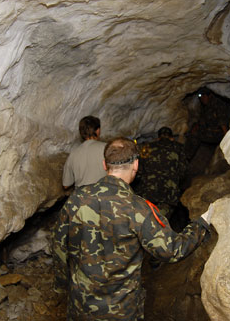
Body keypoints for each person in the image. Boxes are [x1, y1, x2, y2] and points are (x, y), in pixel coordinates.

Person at [51, 137, 213, 321]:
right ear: (136, 164)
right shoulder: (139, 209)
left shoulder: (76, 199)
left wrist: (62, 284)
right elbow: (171, 250)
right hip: (122, 310)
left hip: (80, 305)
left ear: (105, 164)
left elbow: (59, 247)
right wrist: (201, 225)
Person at [134, 127, 188, 220]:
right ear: (171, 137)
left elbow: (139, 170)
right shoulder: (179, 148)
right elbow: (183, 171)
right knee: (162, 222)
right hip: (168, 193)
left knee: (145, 221)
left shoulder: (147, 147)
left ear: (158, 137)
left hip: (148, 191)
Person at [185, 87, 230, 160]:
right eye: (201, 97)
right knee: (191, 132)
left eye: (204, 96)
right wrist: (196, 126)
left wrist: (228, 140)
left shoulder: (218, 104)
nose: (202, 98)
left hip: (219, 134)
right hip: (211, 131)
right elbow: (202, 120)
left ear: (210, 95)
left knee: (195, 135)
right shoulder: (206, 106)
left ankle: (187, 157)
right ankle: (185, 155)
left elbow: (223, 123)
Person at [62, 115, 107, 189]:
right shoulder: (107, 148)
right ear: (98, 130)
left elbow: (66, 185)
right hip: (103, 194)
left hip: (82, 198)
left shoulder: (73, 154)